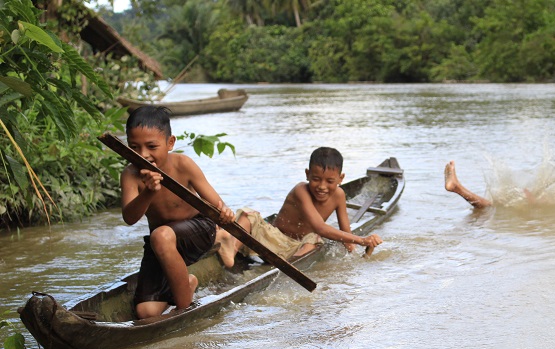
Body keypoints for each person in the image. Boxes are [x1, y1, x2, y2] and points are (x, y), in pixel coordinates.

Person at [121, 106, 236, 319]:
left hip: (199, 230)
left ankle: (184, 308)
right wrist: (148, 192)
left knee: (161, 235)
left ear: (170, 143)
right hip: (160, 244)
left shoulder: (183, 164)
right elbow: (129, 218)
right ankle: (187, 283)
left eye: (152, 146)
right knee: (145, 312)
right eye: (134, 147)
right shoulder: (130, 174)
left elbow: (216, 204)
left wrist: (226, 214)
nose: (143, 155)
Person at [216, 147, 382, 268]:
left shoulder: (339, 195)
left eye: (330, 181)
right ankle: (231, 248)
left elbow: (347, 237)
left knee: (315, 239)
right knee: (249, 215)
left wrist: (365, 251)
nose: (322, 186)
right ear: (307, 174)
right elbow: (320, 227)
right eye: (316, 179)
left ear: (341, 178)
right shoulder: (301, 190)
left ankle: (285, 269)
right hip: (270, 240)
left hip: (295, 250)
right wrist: (362, 239)